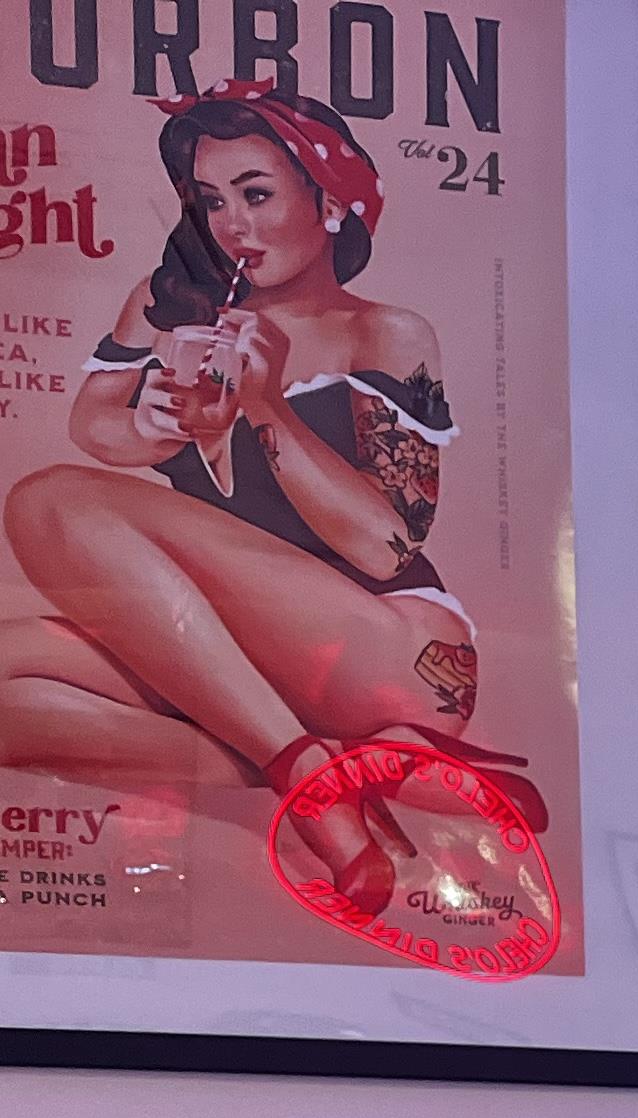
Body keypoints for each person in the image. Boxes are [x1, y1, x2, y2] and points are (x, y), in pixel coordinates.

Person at [0, 81, 541, 925]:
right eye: (212, 201)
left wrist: (266, 406)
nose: (233, 226)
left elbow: (386, 545)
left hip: (386, 649)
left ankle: (304, 770)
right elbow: (94, 424)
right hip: (223, 646)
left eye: (256, 194)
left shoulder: (384, 333)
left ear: (330, 202)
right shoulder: (171, 303)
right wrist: (146, 425)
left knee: (49, 501)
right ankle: (347, 769)